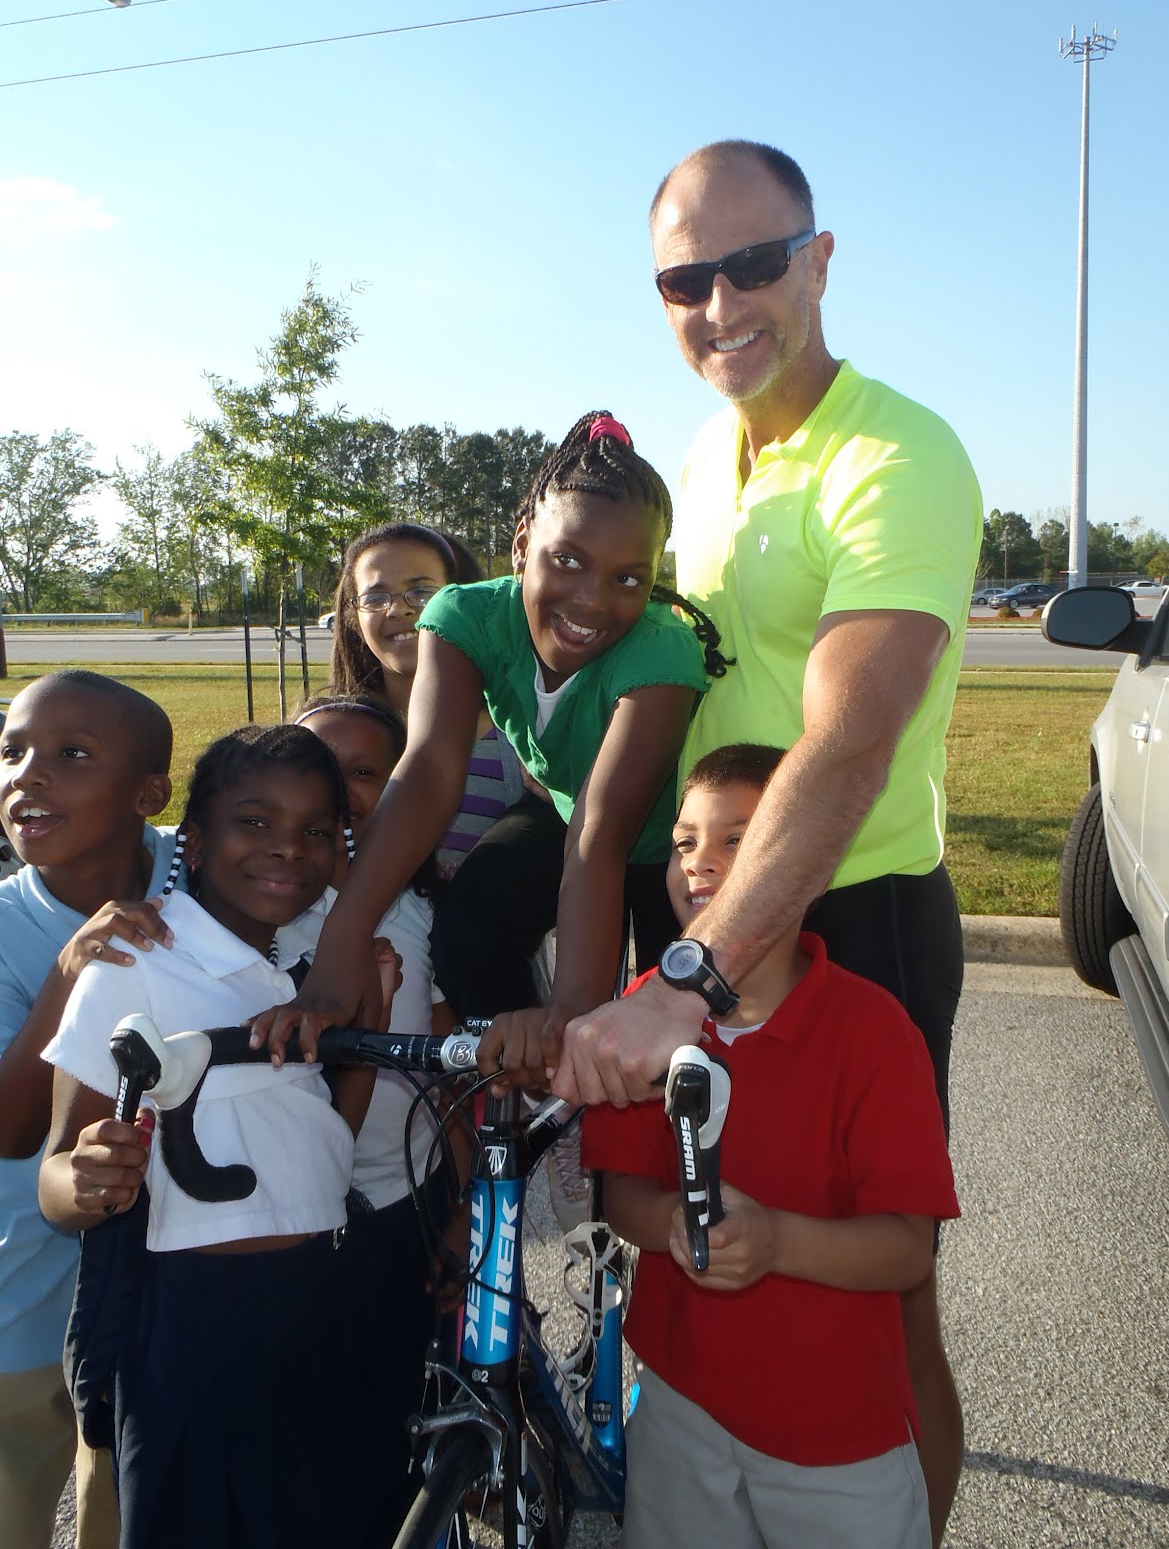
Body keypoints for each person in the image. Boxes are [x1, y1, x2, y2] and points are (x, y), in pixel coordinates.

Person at [554, 141, 983, 1544]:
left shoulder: (896, 454)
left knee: (879, 1301)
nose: (721, 301)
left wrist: (692, 971)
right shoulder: (706, 451)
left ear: (821, 257)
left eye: (754, 263)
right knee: (698, 1247)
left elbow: (849, 741)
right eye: (687, 277)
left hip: (844, 915)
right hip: (706, 916)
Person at [253, 411, 727, 1080]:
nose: (592, 601)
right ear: (522, 542)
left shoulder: (662, 651)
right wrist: (336, 960)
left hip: (659, 840)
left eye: (629, 578)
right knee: (469, 931)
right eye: (568, 562)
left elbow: (604, 833)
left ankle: (591, 1094)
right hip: (564, 811)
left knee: (678, 1020)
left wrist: (576, 1020)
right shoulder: (464, 617)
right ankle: (526, 1087)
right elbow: (427, 775)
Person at [583, 744, 960, 1548]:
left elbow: (905, 1251)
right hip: (681, 1411)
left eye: (737, 841)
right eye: (684, 843)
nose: (700, 864)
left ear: (806, 870)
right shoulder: (645, 1013)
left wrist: (779, 1241)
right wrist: (674, 1229)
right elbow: (622, 1198)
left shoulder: (873, 1035)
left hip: (840, 1439)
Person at [38, 725, 375, 1549]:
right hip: (195, 1329)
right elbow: (56, 1169)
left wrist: (364, 1011)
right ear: (189, 837)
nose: (287, 849)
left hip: (323, 1303)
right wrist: (84, 1179)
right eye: (253, 822)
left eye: (316, 832)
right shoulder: (137, 962)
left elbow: (325, 1135)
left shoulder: (314, 963)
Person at [0, 670, 176, 1549]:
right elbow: (11, 1130)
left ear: (150, 794)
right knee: (17, 1492)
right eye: (13, 752)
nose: (28, 775)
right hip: (24, 1285)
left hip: (164, 1282)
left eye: (71, 755)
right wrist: (70, 972)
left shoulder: (213, 868)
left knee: (121, 1491)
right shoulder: (3, 925)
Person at [288, 693, 457, 1545]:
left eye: (368, 773)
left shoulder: (424, 912)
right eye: (322, 764)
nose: (344, 792)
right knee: (301, 1426)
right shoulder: (257, 902)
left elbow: (453, 1069)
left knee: (391, 1415)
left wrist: (457, 1212)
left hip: (400, 1204)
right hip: (285, 1222)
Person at [326, 521, 525, 877]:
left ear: (463, 600)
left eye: (420, 592)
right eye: (375, 597)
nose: (398, 609)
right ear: (353, 616)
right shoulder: (331, 734)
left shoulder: (517, 742)